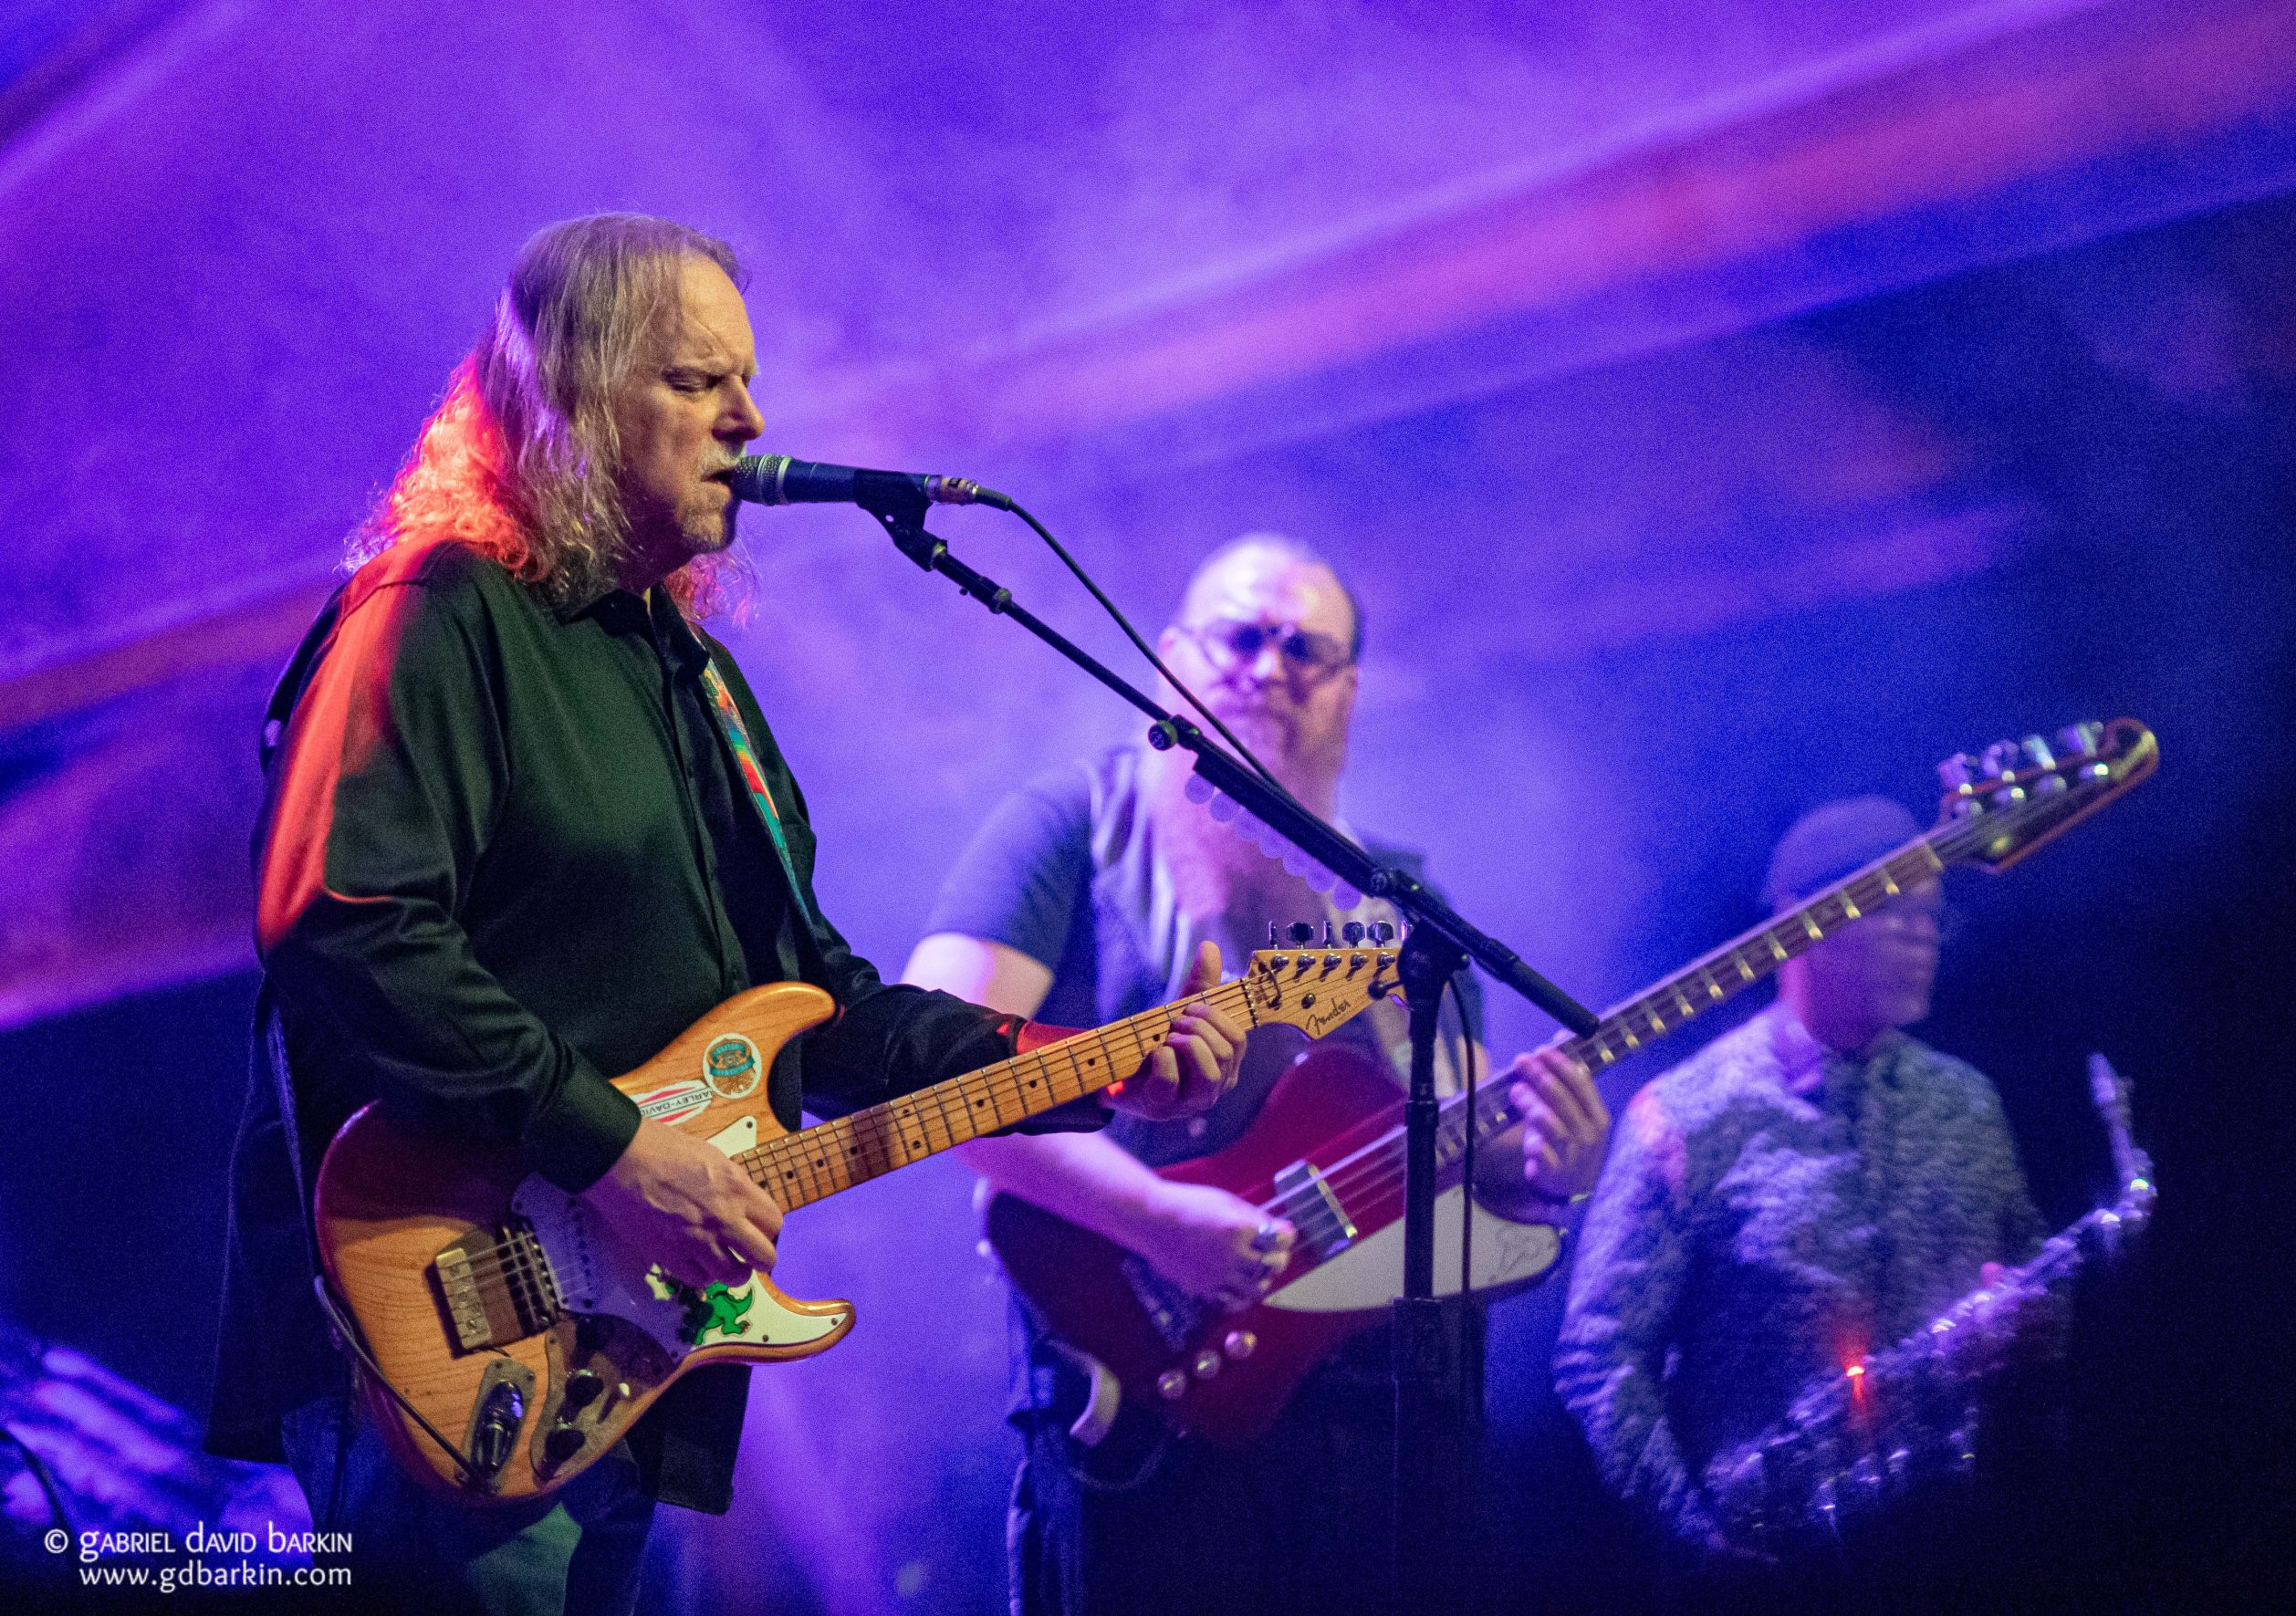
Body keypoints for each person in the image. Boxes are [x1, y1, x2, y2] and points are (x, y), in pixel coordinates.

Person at [202, 214, 1241, 1616]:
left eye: (743, 380)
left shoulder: (699, 685)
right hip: (448, 1321)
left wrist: (1093, 1060)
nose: (749, 417)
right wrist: (617, 1146)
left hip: (619, 1361)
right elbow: (345, 920)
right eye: (695, 381)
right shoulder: (440, 611)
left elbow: (825, 1001)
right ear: (569, 394)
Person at [902, 534, 1612, 1616]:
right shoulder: (1070, 826)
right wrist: (1153, 1219)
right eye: (1239, 637)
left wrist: (1547, 1172)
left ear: (1350, 690)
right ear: (1171, 655)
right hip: (1141, 1400)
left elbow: (1467, 1175)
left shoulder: (1402, 900)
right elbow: (927, 1063)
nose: (1268, 667)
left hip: (1381, 1432)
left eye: (1303, 648)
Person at [1553, 795, 2046, 1595]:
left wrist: (2032, 1327)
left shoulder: (1969, 1103)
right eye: (1895, 910)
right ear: (1803, 924)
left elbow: (2028, 1289)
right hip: (1762, 1564)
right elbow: (1598, 1350)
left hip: (1950, 1554)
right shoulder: (1684, 1115)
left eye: (1933, 915)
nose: (1923, 935)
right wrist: (1688, 1532)